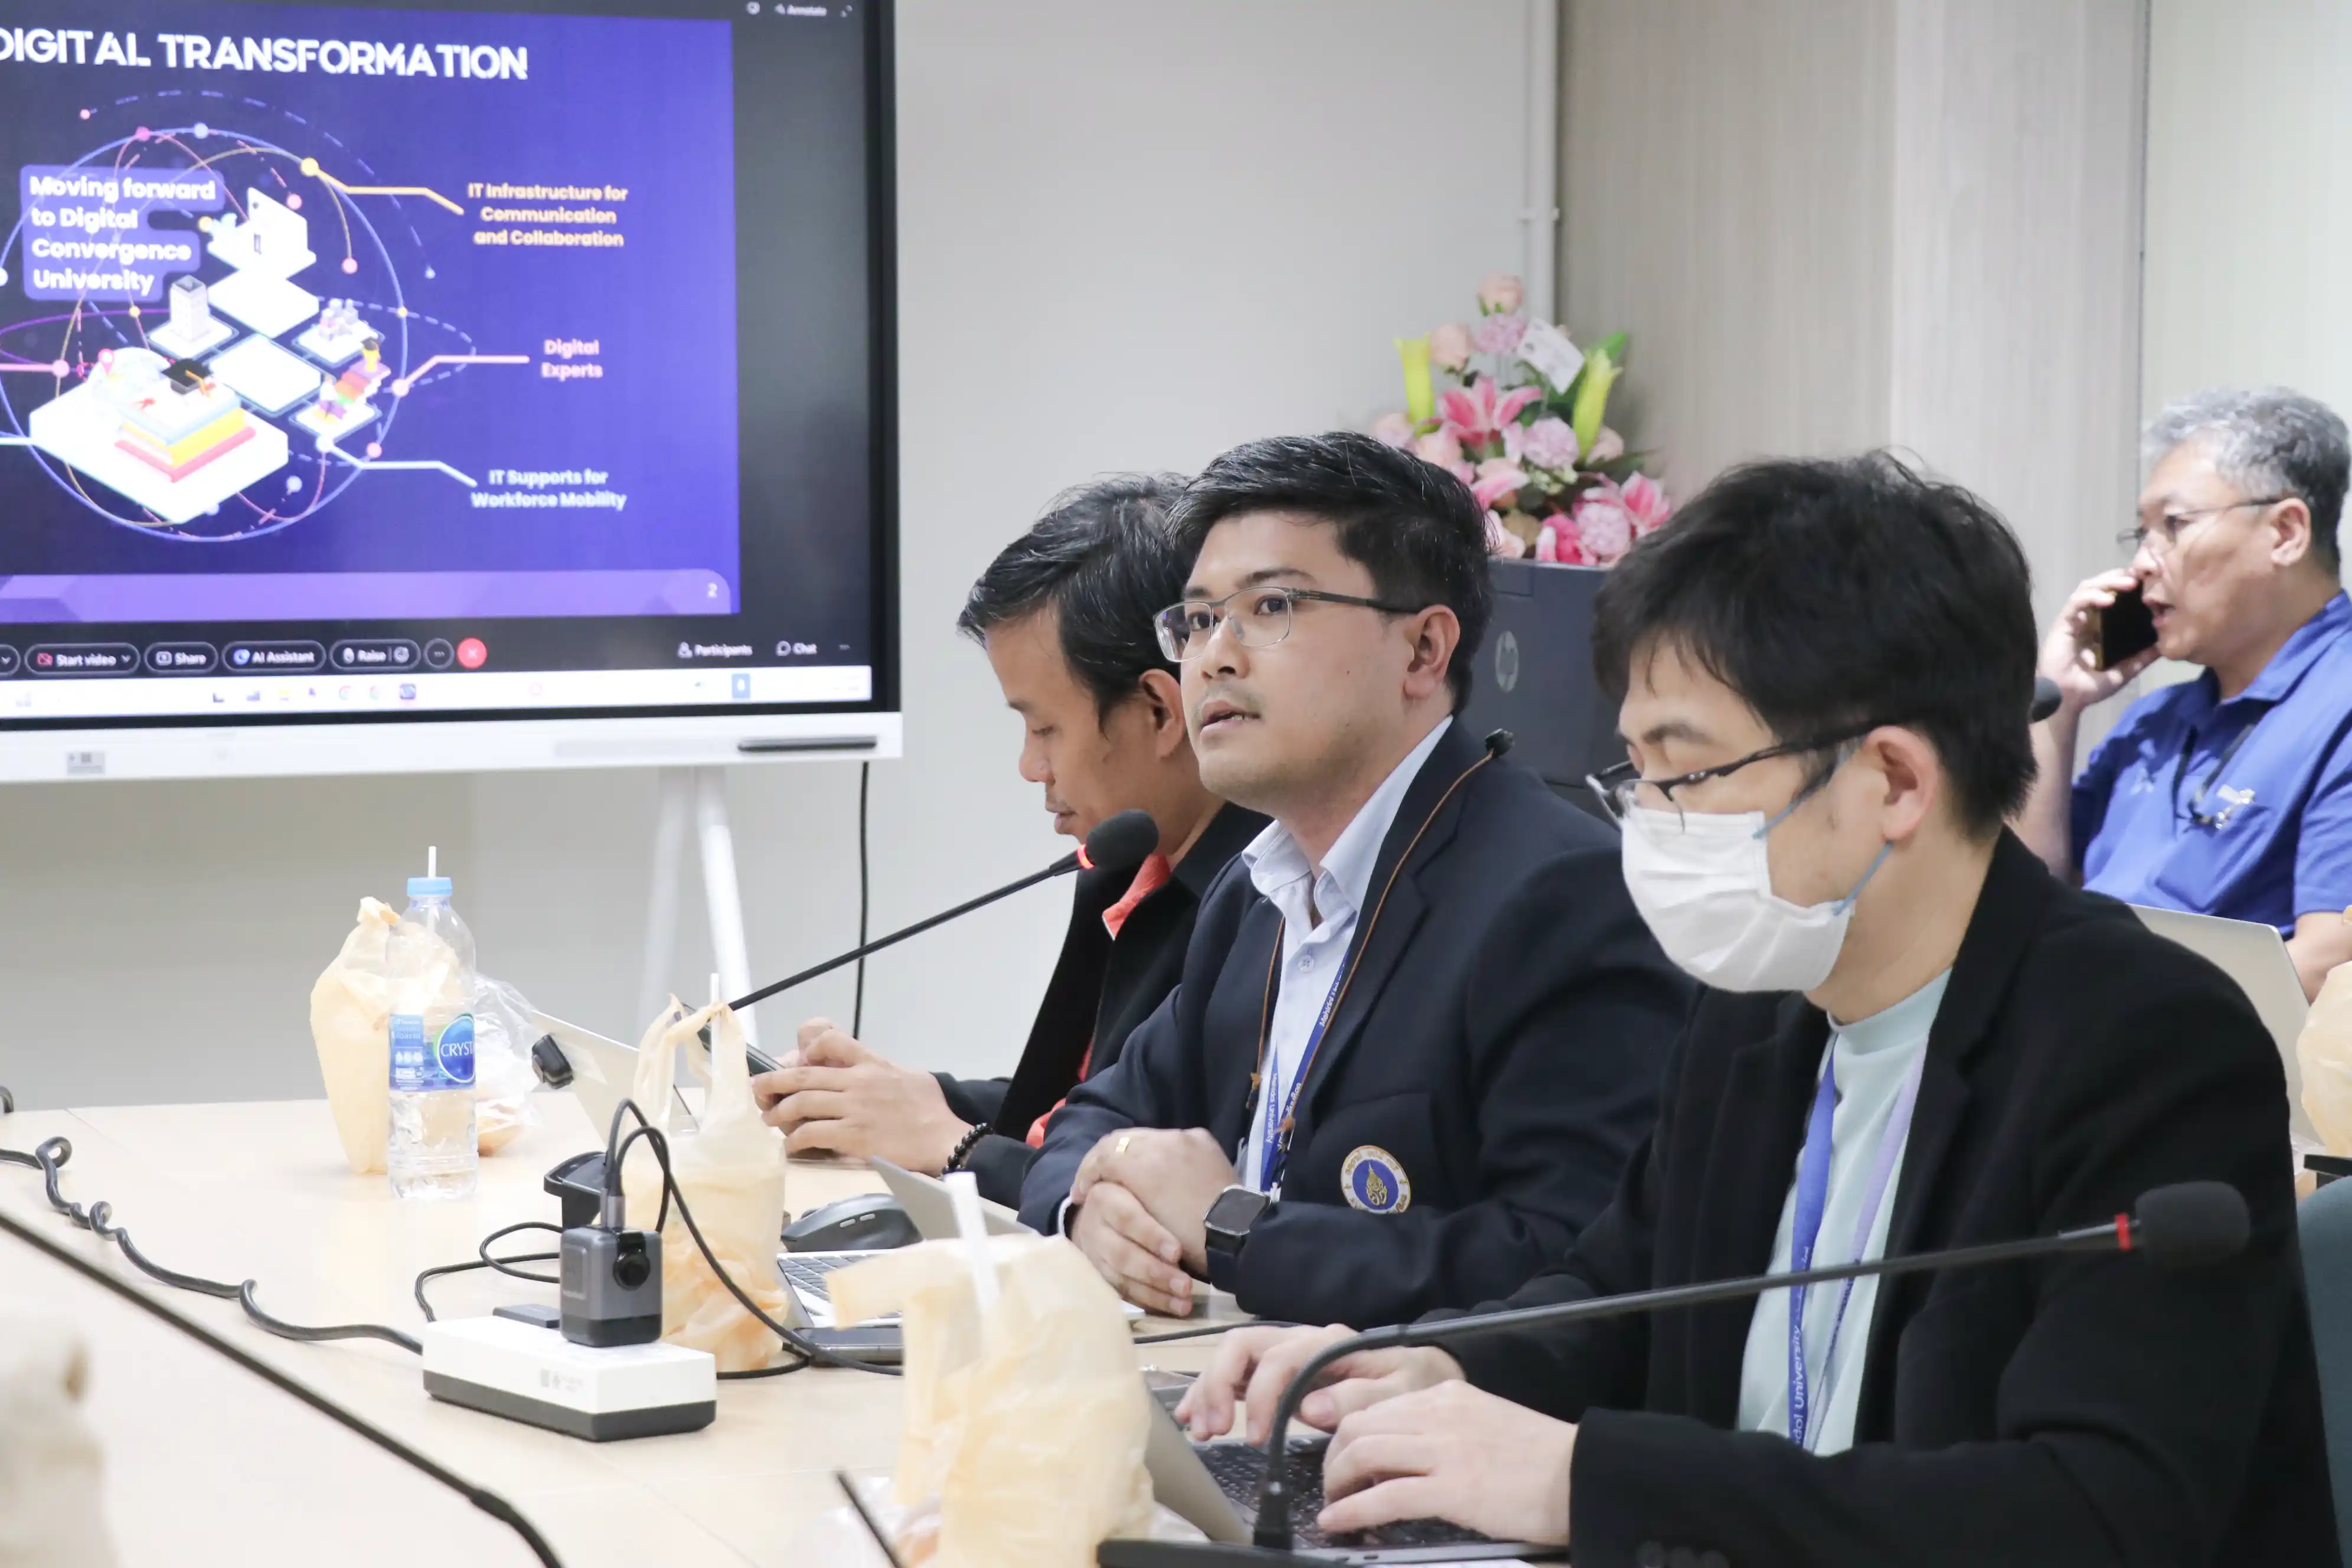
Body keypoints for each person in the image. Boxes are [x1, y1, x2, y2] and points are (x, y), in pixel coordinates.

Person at [1178, 454, 2334, 1565]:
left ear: (1893, 780)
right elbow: (1616, 1295)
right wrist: (1437, 1364)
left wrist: (1585, 1479)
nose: (1651, 823)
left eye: (1686, 776)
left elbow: (2090, 1514)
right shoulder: (1756, 1015)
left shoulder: (2147, 1045)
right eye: (1635, 775)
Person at [1020, 432, 1688, 1326]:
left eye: (1271, 606)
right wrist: (1088, 1211)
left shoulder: (1558, 897)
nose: (1214, 657)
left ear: (1422, 651)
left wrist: (1238, 1229)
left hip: (1402, 1404)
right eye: (1199, 620)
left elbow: (1563, 1261)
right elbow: (1092, 1116)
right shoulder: (1256, 892)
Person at [751, 475, 1266, 1207]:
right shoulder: (1123, 866)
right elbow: (1069, 1110)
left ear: (1158, 709)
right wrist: (896, 1100)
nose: (1030, 766)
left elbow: (1140, 1196)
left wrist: (952, 1143)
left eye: (1045, 728)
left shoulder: (1269, 907)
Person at [2017, 387, 2352, 997]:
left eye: (2174, 526)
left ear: (2286, 532)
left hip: (2197, 1048)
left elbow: (2328, 966)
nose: (2143, 564)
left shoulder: (2339, 708)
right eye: (2142, 532)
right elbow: (2026, 896)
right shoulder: (2152, 722)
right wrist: (2057, 706)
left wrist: (2109, 1012)